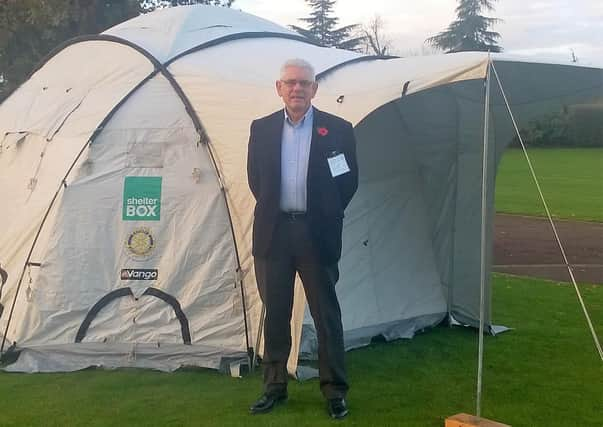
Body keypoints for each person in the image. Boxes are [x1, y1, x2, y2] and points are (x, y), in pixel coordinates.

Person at [247, 58, 358, 419]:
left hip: (317, 235)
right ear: (279, 88)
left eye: (304, 83)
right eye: (291, 82)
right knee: (276, 314)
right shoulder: (261, 129)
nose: (297, 88)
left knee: (327, 316)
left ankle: (334, 391)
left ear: (314, 89)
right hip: (274, 234)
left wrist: (324, 212)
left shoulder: (338, 129)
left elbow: (348, 182)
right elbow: (256, 181)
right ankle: (274, 386)